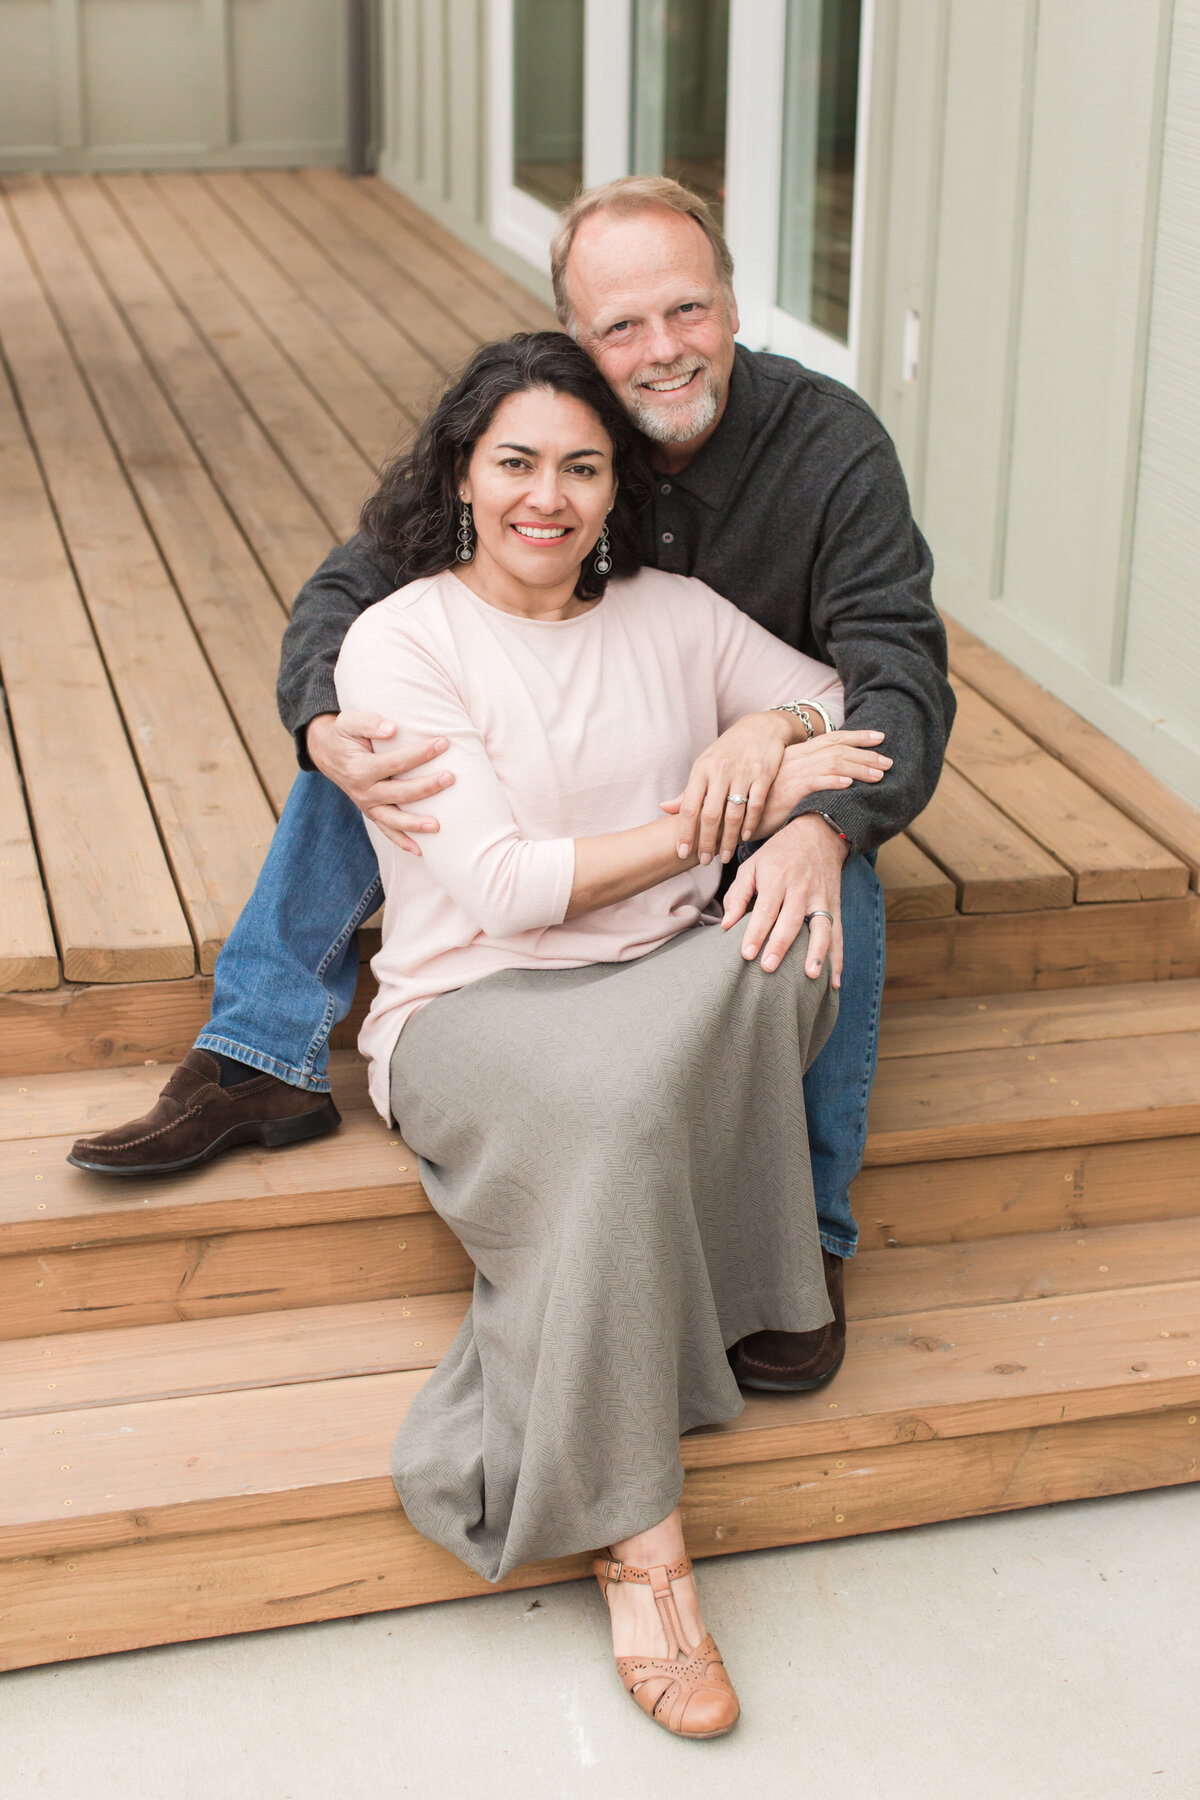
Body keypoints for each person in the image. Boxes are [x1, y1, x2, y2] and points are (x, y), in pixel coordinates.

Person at [69, 176, 954, 1397]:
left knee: (823, 877)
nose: (662, 350)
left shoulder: (828, 448)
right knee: (374, 743)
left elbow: (898, 676)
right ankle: (265, 1047)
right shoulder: (543, 433)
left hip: (754, 767)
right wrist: (320, 721)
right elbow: (349, 595)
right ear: (582, 342)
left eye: (687, 311)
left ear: (735, 302)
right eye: (622, 327)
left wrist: (816, 791)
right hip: (570, 789)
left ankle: (809, 1233)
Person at [334, 329, 892, 1737]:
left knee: (791, 944)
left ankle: (604, 1342)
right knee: (631, 1099)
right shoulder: (402, 640)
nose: (550, 495)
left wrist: (760, 737)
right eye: (516, 461)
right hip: (474, 1007)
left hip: (667, 981)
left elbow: (837, 704)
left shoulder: (672, 610)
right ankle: (645, 1554)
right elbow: (507, 887)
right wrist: (702, 820)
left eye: (583, 467)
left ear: (614, 488)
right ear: (462, 473)